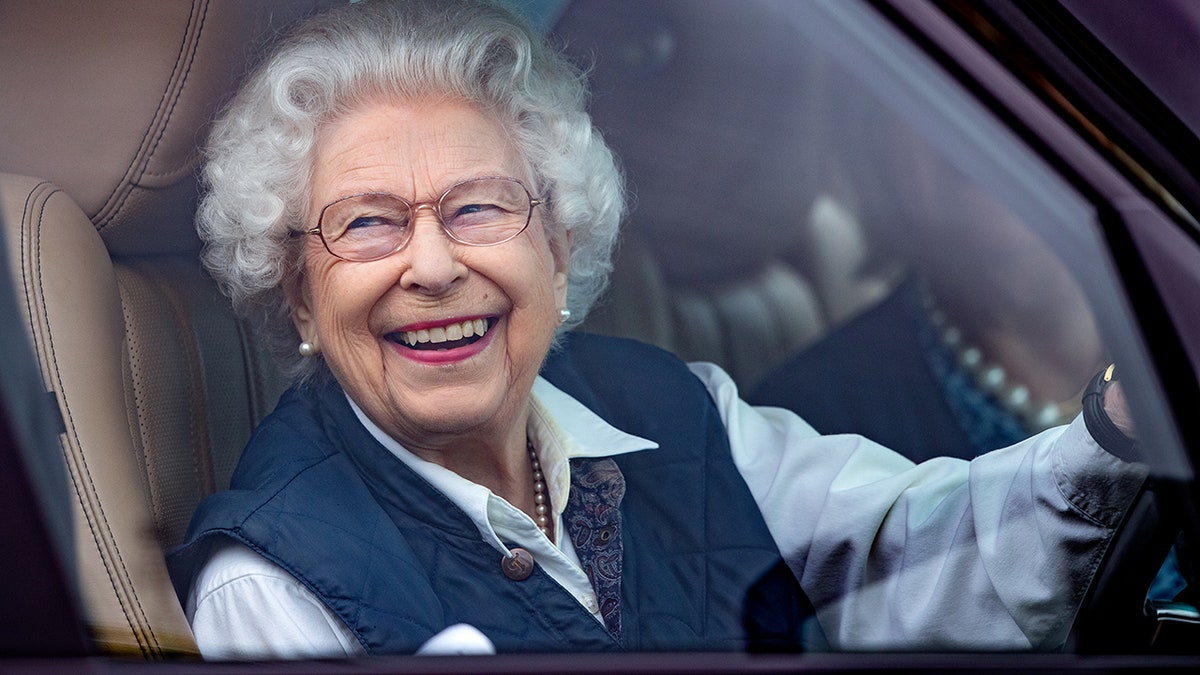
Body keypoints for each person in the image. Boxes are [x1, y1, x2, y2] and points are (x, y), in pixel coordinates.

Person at [168, 0, 1146, 659]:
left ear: (558, 243)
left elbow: (939, 553)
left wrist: (1122, 423)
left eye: (479, 208)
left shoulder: (680, 411)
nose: (431, 265)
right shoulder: (272, 584)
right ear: (299, 291)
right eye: (368, 222)